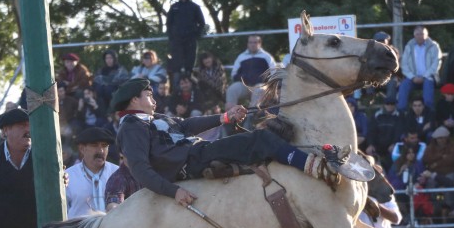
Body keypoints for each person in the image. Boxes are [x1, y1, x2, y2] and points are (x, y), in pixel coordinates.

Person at [112, 78, 369, 208]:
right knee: (260, 139)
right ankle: (316, 168)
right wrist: (173, 191)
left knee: (270, 135)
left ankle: (315, 156)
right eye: (148, 95)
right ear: (133, 101)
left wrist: (225, 117)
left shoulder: (152, 118)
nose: (153, 99)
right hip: (191, 161)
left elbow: (186, 125)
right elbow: (140, 170)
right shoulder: (132, 126)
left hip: (197, 152)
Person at [396, 25, 441, 114]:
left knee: (428, 93)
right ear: (414, 35)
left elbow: (436, 64)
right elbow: (404, 64)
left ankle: (428, 115)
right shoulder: (409, 46)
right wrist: (412, 77)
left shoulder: (433, 46)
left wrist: (424, 77)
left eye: (422, 34)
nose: (420, 36)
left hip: (429, 77)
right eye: (417, 34)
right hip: (412, 77)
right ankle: (401, 114)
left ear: (427, 35)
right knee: (403, 87)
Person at [166, 0, 205, 81]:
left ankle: (189, 84)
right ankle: (176, 89)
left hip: (190, 40)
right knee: (176, 65)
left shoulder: (195, 7)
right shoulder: (174, 7)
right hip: (177, 40)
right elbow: (169, 23)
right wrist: (172, 36)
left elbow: (201, 22)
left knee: (189, 63)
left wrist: (196, 35)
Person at [225, 35, 277, 110]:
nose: (252, 44)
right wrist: (243, 77)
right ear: (248, 44)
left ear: (260, 43)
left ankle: (250, 118)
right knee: (232, 89)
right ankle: (231, 116)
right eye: (250, 42)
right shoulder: (241, 57)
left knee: (259, 90)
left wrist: (264, 81)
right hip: (245, 86)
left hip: (261, 85)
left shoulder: (267, 57)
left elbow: (274, 73)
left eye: (255, 42)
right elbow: (234, 74)